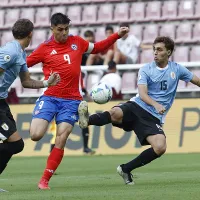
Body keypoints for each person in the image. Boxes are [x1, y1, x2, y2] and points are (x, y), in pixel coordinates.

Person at [26, 12, 129, 190]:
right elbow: (23, 64)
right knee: (35, 135)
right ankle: (84, 119)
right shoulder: (44, 48)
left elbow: (97, 47)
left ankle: (44, 181)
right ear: (52, 29)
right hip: (50, 97)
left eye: (66, 29)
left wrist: (116, 36)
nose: (64, 33)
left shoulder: (77, 42)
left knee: (62, 137)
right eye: (60, 30)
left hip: (72, 100)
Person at [79, 36, 200, 185]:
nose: (155, 52)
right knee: (115, 113)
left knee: (160, 147)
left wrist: (156, 108)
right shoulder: (146, 69)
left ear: (169, 52)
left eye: (160, 50)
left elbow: (197, 81)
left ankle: (126, 169)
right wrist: (155, 104)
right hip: (137, 106)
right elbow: (142, 93)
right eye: (154, 49)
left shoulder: (177, 69)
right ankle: (86, 120)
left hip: (153, 117)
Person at [0, 19, 60, 192]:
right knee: (16, 144)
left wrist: (46, 83)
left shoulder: (20, 53)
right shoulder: (11, 51)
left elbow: (26, 82)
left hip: (2, 103)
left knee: (15, 145)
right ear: (30, 34)